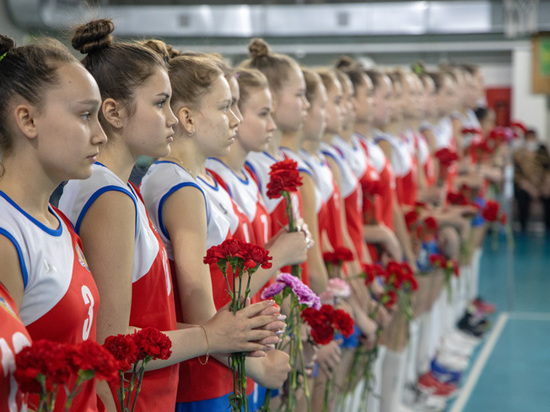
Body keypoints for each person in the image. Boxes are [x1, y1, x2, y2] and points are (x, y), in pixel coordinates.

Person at [59, 20, 285, 411]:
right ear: (113, 112)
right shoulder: (110, 196)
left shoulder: (116, 189)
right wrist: (212, 337)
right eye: (160, 103)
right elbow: (112, 344)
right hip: (140, 397)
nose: (172, 118)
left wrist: (219, 333)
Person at [139, 47, 292, 411]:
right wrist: (259, 368)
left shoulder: (197, 180)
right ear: (188, 119)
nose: (235, 119)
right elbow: (202, 314)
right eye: (226, 107)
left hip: (226, 366)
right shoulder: (180, 188)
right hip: (207, 377)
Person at [0, 34, 106, 411]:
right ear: (27, 119)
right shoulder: (7, 238)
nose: (101, 133)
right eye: (84, 114)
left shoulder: (57, 221)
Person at [513, 128, 550, 232]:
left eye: (533, 138)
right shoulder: (518, 155)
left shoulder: (542, 154)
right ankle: (522, 226)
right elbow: (517, 176)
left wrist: (546, 186)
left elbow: (548, 170)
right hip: (525, 186)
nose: (531, 141)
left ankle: (548, 227)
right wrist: (530, 189)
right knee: (522, 196)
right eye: (529, 138)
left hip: (541, 185)